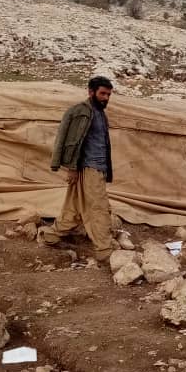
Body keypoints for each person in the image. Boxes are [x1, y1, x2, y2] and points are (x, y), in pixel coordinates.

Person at [41, 76, 115, 262]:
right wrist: (71, 168)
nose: (106, 98)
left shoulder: (100, 113)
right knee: (98, 207)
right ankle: (104, 249)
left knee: (74, 205)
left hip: (95, 168)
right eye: (102, 93)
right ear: (90, 92)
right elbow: (69, 141)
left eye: (108, 94)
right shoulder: (80, 112)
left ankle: (52, 235)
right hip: (88, 168)